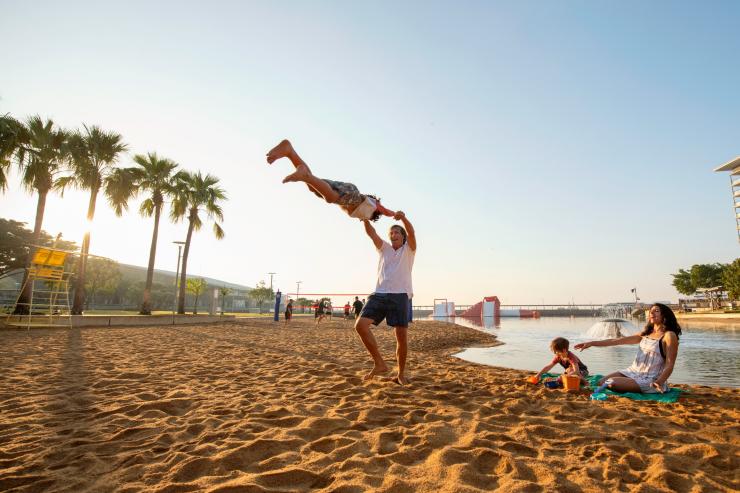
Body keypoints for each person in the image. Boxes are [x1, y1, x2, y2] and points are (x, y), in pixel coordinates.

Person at [354, 212, 416, 385]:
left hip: (401, 295)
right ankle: (379, 363)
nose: (394, 234)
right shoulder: (384, 248)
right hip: (380, 293)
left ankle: (401, 374)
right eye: (392, 233)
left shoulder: (409, 250)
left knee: (401, 337)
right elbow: (371, 234)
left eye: (397, 232)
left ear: (403, 237)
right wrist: (364, 218)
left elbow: (412, 232)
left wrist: (403, 219)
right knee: (360, 326)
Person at [266, 139, 396, 221]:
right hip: (351, 194)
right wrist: (395, 215)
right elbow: (384, 210)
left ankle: (289, 151)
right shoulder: (373, 207)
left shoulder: (364, 216)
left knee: (313, 187)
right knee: (330, 198)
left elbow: (369, 230)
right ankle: (305, 175)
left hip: (347, 190)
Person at [574, 303, 681, 393]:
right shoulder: (646, 334)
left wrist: (659, 381)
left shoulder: (669, 335)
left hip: (650, 379)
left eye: (656, 311)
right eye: (650, 311)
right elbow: (616, 341)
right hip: (632, 372)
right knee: (602, 381)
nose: (651, 313)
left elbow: (670, 364)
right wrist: (592, 343)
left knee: (611, 382)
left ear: (665, 315)